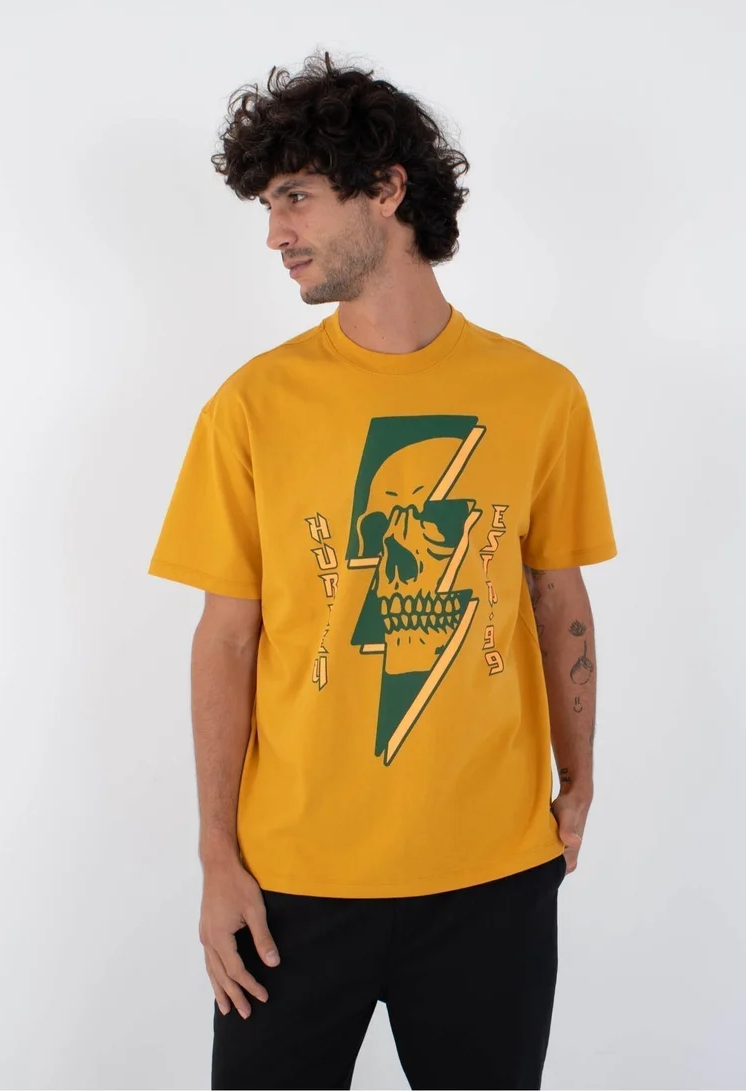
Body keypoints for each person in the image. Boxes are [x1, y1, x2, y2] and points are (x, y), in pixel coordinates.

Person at [148, 49, 618, 1091]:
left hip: (492, 877)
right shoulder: (251, 407)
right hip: (290, 885)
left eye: (297, 197)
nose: (276, 233)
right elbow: (226, 635)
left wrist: (580, 778)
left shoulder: (539, 395)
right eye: (269, 206)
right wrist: (217, 857)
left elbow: (558, 598)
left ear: (388, 189)